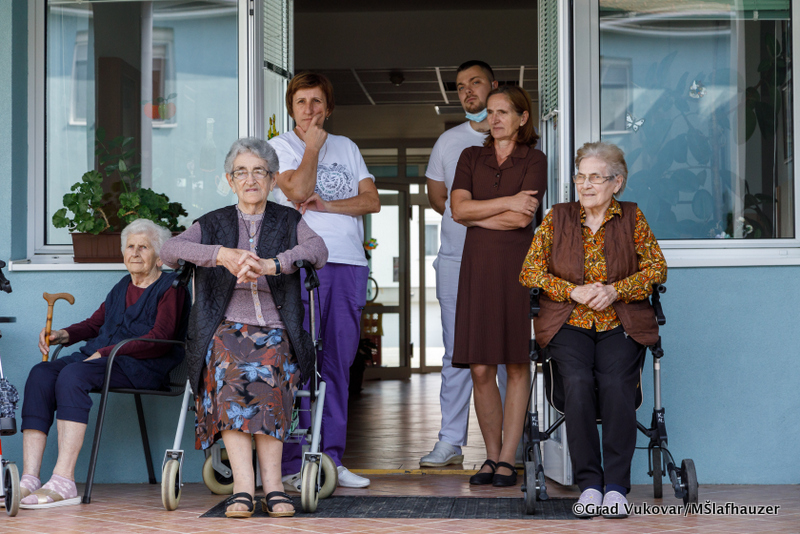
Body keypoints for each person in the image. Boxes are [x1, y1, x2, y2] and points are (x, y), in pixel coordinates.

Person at [160, 137, 328, 518]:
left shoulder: (289, 221)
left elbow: (318, 251)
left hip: (277, 329)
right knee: (229, 368)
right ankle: (243, 487)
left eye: (259, 172)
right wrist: (220, 255)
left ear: (272, 179)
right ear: (230, 180)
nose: (250, 180)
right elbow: (169, 251)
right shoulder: (212, 223)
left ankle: (273, 486)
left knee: (268, 368)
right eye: (241, 172)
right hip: (223, 329)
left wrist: (273, 264)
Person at [519, 141, 667, 518]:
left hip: (621, 322)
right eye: (580, 177)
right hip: (568, 321)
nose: (585, 185)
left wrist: (617, 290)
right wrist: (573, 290)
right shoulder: (558, 217)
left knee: (617, 385)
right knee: (578, 383)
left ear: (617, 182)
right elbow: (530, 271)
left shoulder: (632, 217)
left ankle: (615, 487)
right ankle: (589, 485)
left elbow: (656, 268)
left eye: (595, 178)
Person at [20, 219, 189, 509]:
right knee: (41, 373)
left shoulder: (172, 288)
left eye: (144, 247)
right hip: (100, 359)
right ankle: (30, 478)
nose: (135, 252)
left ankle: (63, 480)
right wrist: (63, 334)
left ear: (160, 257)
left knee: (73, 375)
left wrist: (107, 352)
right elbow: (95, 323)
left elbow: (161, 338)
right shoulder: (122, 285)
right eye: (130, 246)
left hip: (142, 367)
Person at [269, 72, 380, 490]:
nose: (309, 109)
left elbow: (372, 201)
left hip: (349, 263)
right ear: (291, 108)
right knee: (298, 361)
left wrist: (328, 205)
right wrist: (312, 148)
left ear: (328, 108)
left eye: (317, 101)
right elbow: (297, 190)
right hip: (301, 263)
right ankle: (293, 463)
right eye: (301, 102)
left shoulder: (347, 147)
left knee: (338, 363)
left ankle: (330, 459)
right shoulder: (279, 147)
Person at [450, 85, 546, 487]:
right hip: (477, 269)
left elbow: (523, 220)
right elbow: (458, 210)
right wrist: (507, 202)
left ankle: (508, 458)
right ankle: (490, 456)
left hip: (518, 268)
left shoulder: (534, 159)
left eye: (503, 112)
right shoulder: (470, 156)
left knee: (517, 362)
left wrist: (479, 214)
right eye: (490, 112)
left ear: (522, 118)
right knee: (480, 366)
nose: (494, 119)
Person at [422, 60, 513, 468]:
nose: (467, 91)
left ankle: (514, 444)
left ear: (493, 85)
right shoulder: (448, 141)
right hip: (456, 258)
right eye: (460, 86)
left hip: (506, 259)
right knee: (457, 351)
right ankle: (450, 441)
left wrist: (474, 213)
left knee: (509, 352)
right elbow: (440, 200)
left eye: (475, 82)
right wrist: (477, 213)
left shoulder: (515, 140)